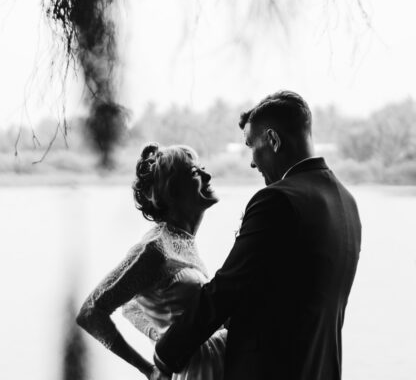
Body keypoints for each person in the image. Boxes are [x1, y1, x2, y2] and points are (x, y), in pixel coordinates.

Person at [152, 90, 362, 380]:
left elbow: (227, 289)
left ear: (273, 140)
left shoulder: (276, 200)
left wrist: (166, 354)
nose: (252, 162)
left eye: (252, 146)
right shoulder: (347, 202)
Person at [77, 143, 227, 380]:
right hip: (198, 372)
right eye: (195, 172)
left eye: (203, 168)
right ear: (172, 191)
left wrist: (159, 333)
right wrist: (149, 369)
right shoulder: (154, 250)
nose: (208, 175)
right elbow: (91, 313)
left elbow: (131, 306)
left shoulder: (183, 239)